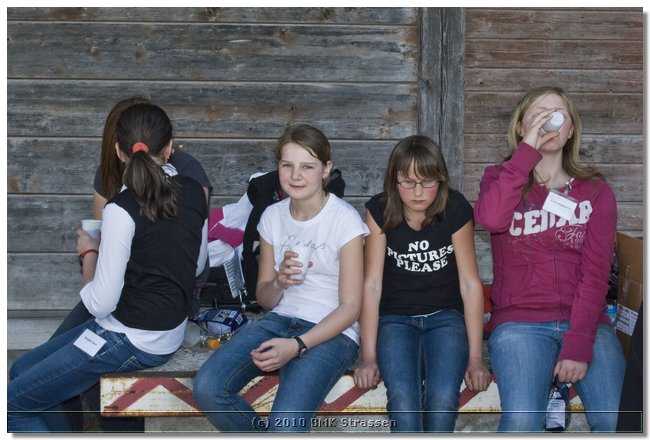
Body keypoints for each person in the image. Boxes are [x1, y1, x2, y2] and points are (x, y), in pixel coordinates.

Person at [8, 103, 209, 432]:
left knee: (10, 406)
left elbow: (101, 304)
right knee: (22, 369)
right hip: (166, 333)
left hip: (132, 339)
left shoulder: (121, 209)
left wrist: (90, 253)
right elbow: (198, 263)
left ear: (118, 151)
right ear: (170, 147)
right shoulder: (193, 192)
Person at [193, 124, 369, 432]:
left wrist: (296, 345)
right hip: (279, 321)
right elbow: (265, 298)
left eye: (307, 166)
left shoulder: (345, 220)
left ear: (326, 169)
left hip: (332, 332)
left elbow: (351, 308)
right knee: (209, 387)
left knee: (285, 426)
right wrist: (278, 282)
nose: (296, 175)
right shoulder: (272, 216)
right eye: (288, 165)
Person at [473, 86, 626, 432]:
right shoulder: (499, 178)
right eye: (539, 114)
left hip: (585, 321)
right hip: (520, 323)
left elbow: (596, 273)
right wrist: (525, 153)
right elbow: (492, 219)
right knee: (522, 423)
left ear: (570, 130)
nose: (550, 122)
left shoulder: (595, 191)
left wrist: (578, 343)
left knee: (619, 422)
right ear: (520, 127)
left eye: (558, 115)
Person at [353, 135, 490, 432]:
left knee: (443, 398)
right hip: (395, 319)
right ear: (394, 180)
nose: (417, 192)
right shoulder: (379, 210)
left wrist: (476, 357)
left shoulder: (455, 208)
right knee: (403, 399)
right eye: (408, 182)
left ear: (440, 179)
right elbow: (371, 285)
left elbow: (470, 285)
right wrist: (368, 356)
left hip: (445, 318)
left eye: (427, 182)